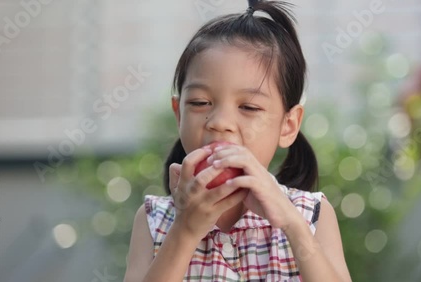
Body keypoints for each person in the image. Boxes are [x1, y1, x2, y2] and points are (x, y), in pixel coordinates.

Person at [124, 1, 351, 281]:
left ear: (288, 125)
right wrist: (185, 230)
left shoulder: (310, 214)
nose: (219, 122)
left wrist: (292, 224)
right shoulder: (155, 219)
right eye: (200, 102)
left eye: (249, 107)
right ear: (178, 114)